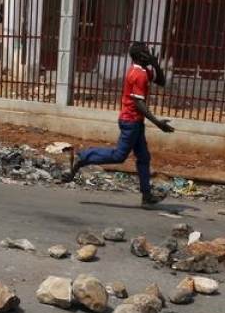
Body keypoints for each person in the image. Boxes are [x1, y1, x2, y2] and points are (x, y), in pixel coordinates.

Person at [62, 42, 175, 208]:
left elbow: (162, 81)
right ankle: (83, 156)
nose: (149, 55)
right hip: (131, 121)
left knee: (143, 158)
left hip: (136, 122)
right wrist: (157, 122)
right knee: (119, 156)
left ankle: (147, 195)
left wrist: (156, 64)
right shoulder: (138, 74)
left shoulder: (143, 70)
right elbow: (138, 103)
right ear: (139, 57)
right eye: (146, 53)